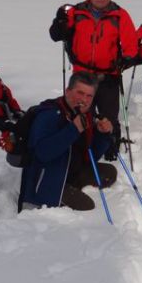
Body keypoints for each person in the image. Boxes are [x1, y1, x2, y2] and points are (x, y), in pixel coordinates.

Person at [49, 0, 138, 159]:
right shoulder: (76, 12)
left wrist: (126, 59)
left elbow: (131, 44)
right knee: (80, 111)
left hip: (109, 75)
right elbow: (57, 35)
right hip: (81, 75)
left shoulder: (120, 15)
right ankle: (81, 144)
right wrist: (59, 22)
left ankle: (110, 145)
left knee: (108, 114)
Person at [18, 72, 117, 212]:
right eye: (80, 93)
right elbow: (42, 153)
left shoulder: (84, 115)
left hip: (71, 173)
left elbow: (91, 155)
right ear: (68, 91)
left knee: (109, 173)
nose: (84, 99)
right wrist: (73, 129)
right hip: (46, 182)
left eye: (89, 96)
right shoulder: (49, 115)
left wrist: (102, 135)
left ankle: (72, 185)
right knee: (88, 207)